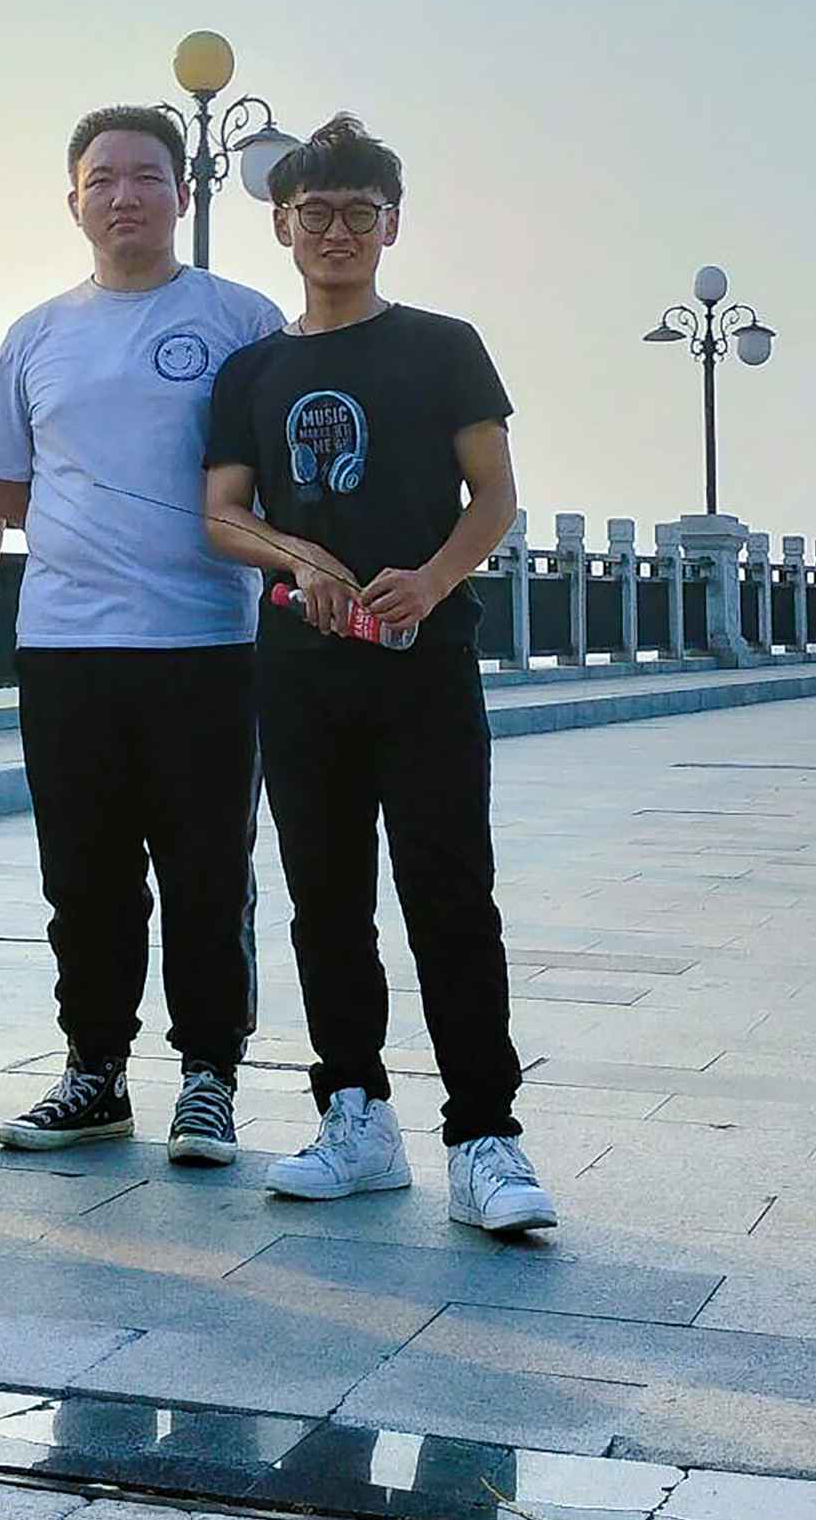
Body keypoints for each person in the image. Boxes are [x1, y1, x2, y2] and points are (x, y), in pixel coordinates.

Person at [199, 115, 556, 1238]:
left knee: (451, 894)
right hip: (302, 671)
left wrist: (435, 579)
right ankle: (353, 1116)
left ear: (391, 224)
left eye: (361, 212)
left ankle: (485, 1137)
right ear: (283, 224)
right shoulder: (253, 370)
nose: (338, 231)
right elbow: (222, 513)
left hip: (425, 669)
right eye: (316, 212)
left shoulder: (444, 346)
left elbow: (496, 495)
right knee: (325, 899)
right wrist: (298, 559)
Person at [0, 108, 285, 1165]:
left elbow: (270, 475)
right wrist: (47, 560)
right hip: (67, 646)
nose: (124, 196)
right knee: (85, 876)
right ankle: (94, 1071)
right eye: (101, 179)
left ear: (182, 194)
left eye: (146, 175)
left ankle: (208, 1077)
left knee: (207, 873)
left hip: (206, 640)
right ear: (74, 201)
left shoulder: (241, 318)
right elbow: (2, 484)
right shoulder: (36, 334)